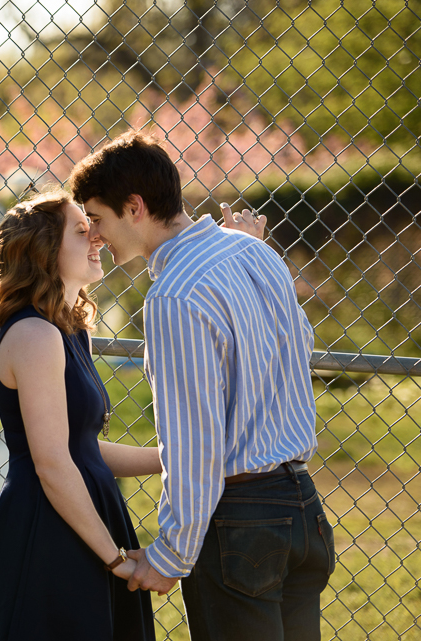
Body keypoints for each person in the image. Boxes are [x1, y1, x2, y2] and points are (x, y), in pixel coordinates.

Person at [68, 130, 335, 641]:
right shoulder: (254, 253)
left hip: (239, 525)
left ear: (135, 206)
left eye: (97, 219)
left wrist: (170, 555)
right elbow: (299, 349)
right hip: (302, 507)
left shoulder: (173, 295)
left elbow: (195, 441)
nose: (95, 236)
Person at [0, 188, 160, 641]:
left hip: (85, 518)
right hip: (49, 532)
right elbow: (54, 464)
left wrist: (172, 458)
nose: (97, 237)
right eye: (81, 231)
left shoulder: (69, 330)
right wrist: (114, 558)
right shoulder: (34, 335)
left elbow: (82, 448)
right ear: (42, 250)